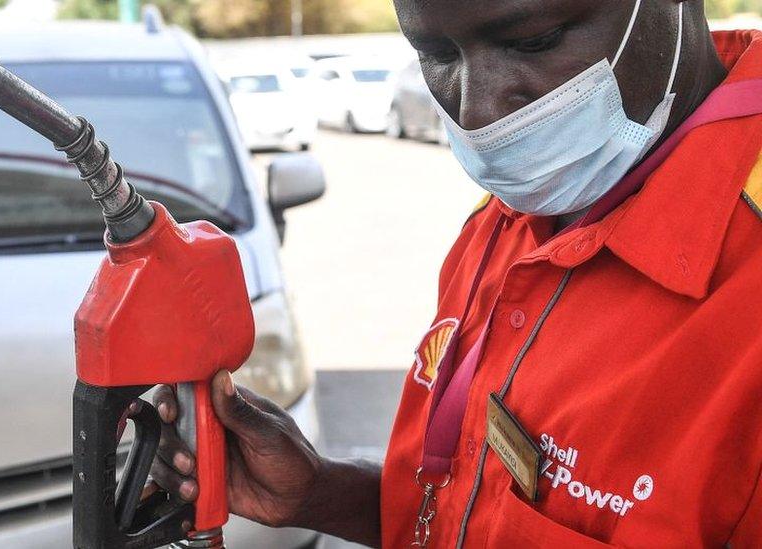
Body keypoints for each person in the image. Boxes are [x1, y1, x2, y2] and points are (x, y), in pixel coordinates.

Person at [150, 0, 762, 546]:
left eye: (534, 41)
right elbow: (469, 505)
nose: (478, 109)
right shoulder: (510, 214)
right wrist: (320, 492)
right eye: (436, 54)